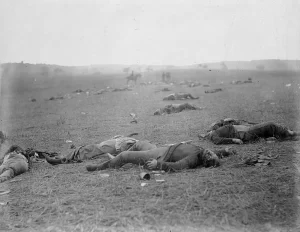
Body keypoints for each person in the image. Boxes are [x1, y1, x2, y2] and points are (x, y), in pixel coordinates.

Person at [86, 142, 236, 172]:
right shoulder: (204, 152)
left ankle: (100, 167)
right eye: (212, 153)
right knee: (140, 143)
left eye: (210, 155)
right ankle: (118, 159)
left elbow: (178, 166)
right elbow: (214, 154)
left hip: (161, 155)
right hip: (163, 148)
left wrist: (158, 165)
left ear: (205, 161)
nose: (210, 152)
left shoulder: (194, 159)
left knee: (125, 155)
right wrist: (225, 151)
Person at [45, 135, 157, 165]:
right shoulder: (152, 151)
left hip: (121, 145)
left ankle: (61, 159)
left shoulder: (150, 153)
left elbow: (127, 156)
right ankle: (62, 158)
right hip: (124, 143)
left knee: (91, 149)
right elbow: (131, 152)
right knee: (93, 148)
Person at [203, 121, 299, 145]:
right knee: (270, 125)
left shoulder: (216, 131)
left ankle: (289, 136)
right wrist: (233, 140)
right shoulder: (213, 135)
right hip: (245, 133)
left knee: (269, 131)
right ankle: (291, 133)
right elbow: (217, 141)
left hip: (246, 131)